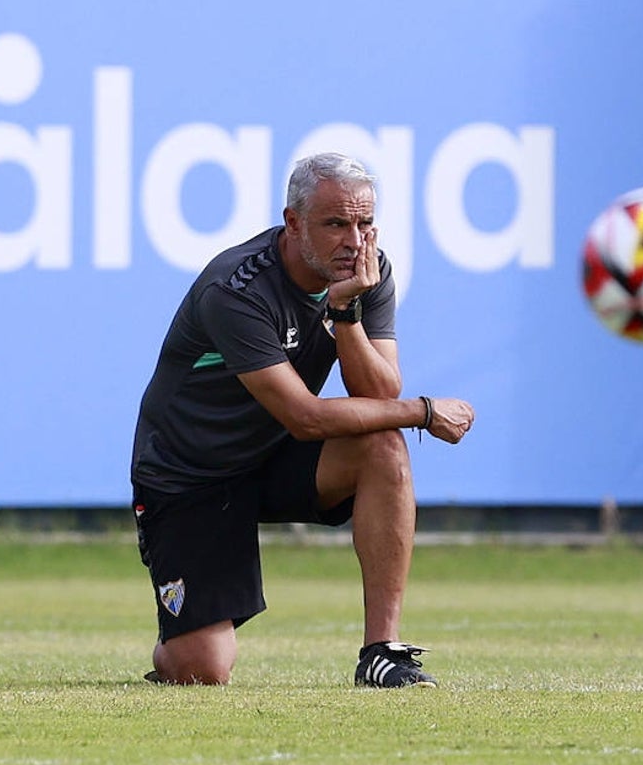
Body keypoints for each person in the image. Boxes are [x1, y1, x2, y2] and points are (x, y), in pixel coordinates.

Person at [130, 152, 475, 687]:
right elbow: (308, 416)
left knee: (382, 442)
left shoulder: (369, 271)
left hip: (272, 455)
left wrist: (345, 314)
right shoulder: (236, 290)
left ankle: (382, 652)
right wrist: (425, 414)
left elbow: (379, 389)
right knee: (203, 669)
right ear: (293, 223)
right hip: (190, 475)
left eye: (364, 223)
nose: (354, 241)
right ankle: (184, 629)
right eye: (336, 223)